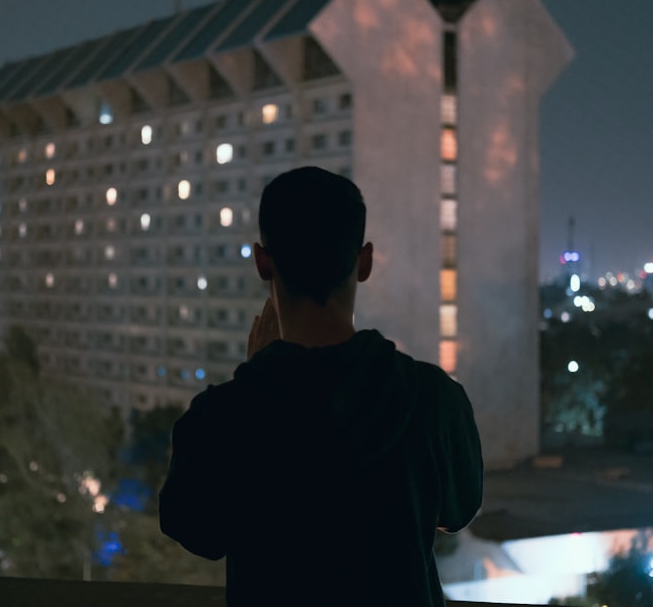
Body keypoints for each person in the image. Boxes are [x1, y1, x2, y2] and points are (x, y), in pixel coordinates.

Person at [159, 166, 482, 606]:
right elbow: (457, 512)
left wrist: (260, 373)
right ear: (364, 261)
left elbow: (196, 530)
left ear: (262, 262)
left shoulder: (221, 416)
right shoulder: (433, 399)